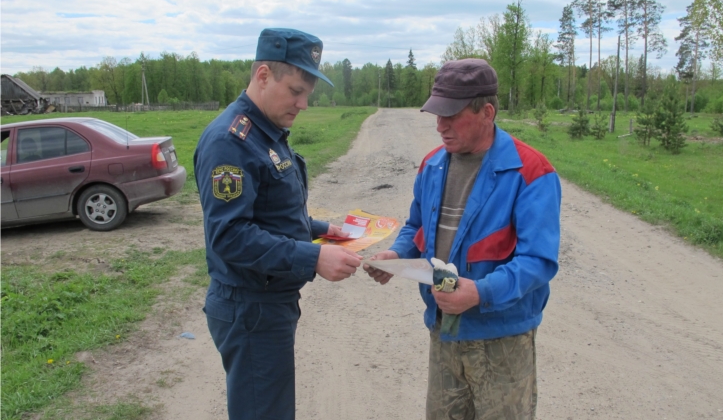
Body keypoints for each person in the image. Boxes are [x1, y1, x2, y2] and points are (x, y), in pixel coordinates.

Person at [364, 58, 561, 420]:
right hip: (444, 332)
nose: (440, 126)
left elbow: (538, 262)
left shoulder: (531, 172)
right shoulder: (432, 165)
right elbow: (416, 225)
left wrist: (481, 292)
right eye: (437, 114)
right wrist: (397, 253)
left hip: (502, 340)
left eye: (451, 116)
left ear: (487, 112)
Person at [194, 28, 363, 420]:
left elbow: (269, 213)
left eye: (308, 94)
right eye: (296, 90)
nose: (303, 103)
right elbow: (230, 236)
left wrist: (322, 229)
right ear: (264, 75)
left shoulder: (266, 131)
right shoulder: (230, 141)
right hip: (250, 304)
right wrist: (313, 258)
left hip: (266, 300)